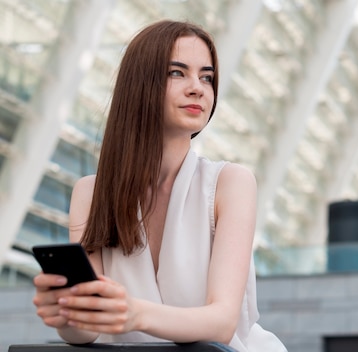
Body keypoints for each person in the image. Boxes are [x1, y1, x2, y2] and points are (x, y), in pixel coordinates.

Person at [32, 20, 287, 352]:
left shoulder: (230, 183)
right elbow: (87, 330)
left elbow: (222, 323)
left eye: (207, 77)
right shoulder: (91, 194)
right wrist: (66, 313)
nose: (198, 87)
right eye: (177, 73)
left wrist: (135, 314)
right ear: (139, 85)